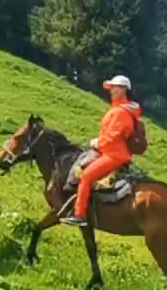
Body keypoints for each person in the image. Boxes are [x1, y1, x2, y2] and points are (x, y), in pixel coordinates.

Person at [61, 75, 143, 228]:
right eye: (110, 88)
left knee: (86, 176)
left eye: (115, 87)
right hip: (107, 151)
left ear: (124, 90)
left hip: (114, 154)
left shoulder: (121, 112)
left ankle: (80, 215)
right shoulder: (117, 109)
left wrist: (97, 142)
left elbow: (113, 135)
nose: (111, 90)